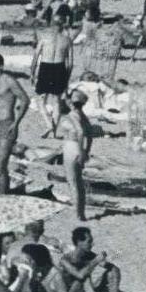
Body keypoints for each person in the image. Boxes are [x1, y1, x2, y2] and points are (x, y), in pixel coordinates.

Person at [0, 54, 30, 196]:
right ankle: (4, 194)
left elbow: (25, 100)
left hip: (6, 125)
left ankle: (3, 197)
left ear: (0, 66)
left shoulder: (9, 81)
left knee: (2, 166)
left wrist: (16, 123)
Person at [55, 90, 93, 221]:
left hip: (71, 146)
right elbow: (90, 134)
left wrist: (82, 151)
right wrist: (86, 151)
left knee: (72, 182)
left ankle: (77, 214)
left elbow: (81, 132)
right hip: (78, 148)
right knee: (79, 182)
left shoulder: (72, 115)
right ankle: (80, 213)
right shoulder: (83, 115)